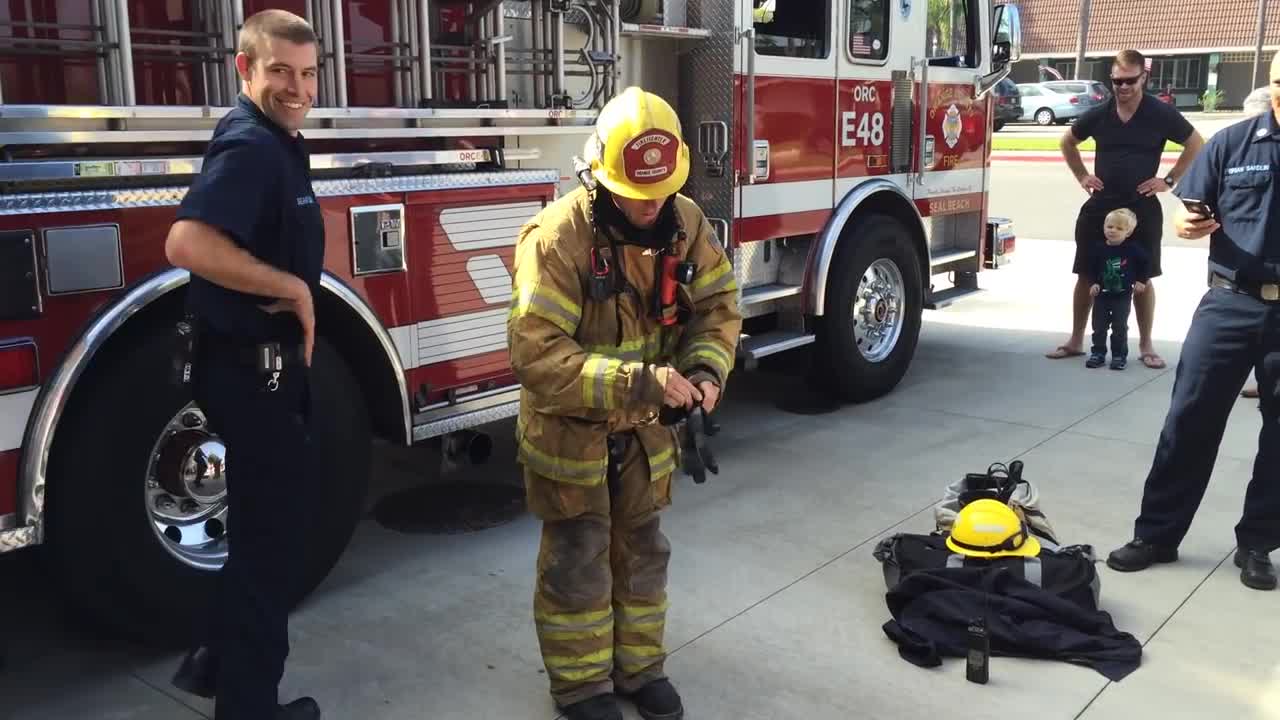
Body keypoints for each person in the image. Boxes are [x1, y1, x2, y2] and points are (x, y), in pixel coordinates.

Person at [507, 87, 742, 720]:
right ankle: (582, 689)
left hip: (645, 437)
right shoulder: (557, 240)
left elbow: (719, 306)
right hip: (572, 439)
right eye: (639, 195)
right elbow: (537, 357)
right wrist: (640, 382)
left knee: (643, 553)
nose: (652, 206)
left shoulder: (686, 222)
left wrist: (704, 371)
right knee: (578, 562)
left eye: (663, 191)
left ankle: (640, 672)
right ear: (603, 175)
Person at [164, 9, 325, 719]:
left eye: (308, 73)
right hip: (250, 377)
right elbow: (187, 242)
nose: (297, 87)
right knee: (271, 547)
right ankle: (250, 707)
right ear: (245, 69)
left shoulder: (278, 141)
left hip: (256, 373)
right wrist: (289, 286)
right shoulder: (254, 146)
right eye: (280, 72)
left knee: (266, 537)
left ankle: (220, 665)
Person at [1105, 50, 1280, 592]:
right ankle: (1157, 535)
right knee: (1188, 421)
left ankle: (1256, 544)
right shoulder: (1235, 142)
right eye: (1279, 81)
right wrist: (1185, 220)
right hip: (1229, 301)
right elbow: (1190, 203)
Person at [1046, 49, 1204, 370]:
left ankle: (1145, 345)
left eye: (1130, 80)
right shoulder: (1101, 112)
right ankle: (1077, 339)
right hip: (1100, 208)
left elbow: (1195, 142)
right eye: (1117, 81)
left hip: (1142, 207)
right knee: (1086, 272)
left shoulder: (1160, 114)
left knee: (1143, 277)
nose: (1123, 87)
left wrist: (1169, 180)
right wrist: (1082, 175)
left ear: (1143, 77)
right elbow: (1067, 142)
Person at [1084, 208, 1150, 370]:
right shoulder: (1098, 249)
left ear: (1128, 233)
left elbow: (1146, 263)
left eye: (1119, 228)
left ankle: (1119, 355)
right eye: (1110, 226)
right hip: (1102, 296)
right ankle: (1098, 353)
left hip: (1122, 295)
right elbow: (1091, 268)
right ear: (1104, 226)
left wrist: (1141, 281)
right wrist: (1093, 283)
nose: (1113, 231)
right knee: (1099, 325)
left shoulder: (1132, 249)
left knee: (1119, 326)